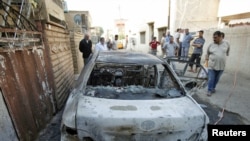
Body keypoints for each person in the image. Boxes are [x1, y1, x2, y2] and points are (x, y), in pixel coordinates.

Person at [205, 31, 230, 96]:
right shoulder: (211, 44)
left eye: (216, 37)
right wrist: (206, 62)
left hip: (221, 66)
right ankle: (209, 90)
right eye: (213, 37)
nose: (214, 39)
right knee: (211, 78)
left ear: (221, 37)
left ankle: (213, 87)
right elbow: (207, 53)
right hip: (212, 65)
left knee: (217, 79)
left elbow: (227, 52)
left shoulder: (226, 44)